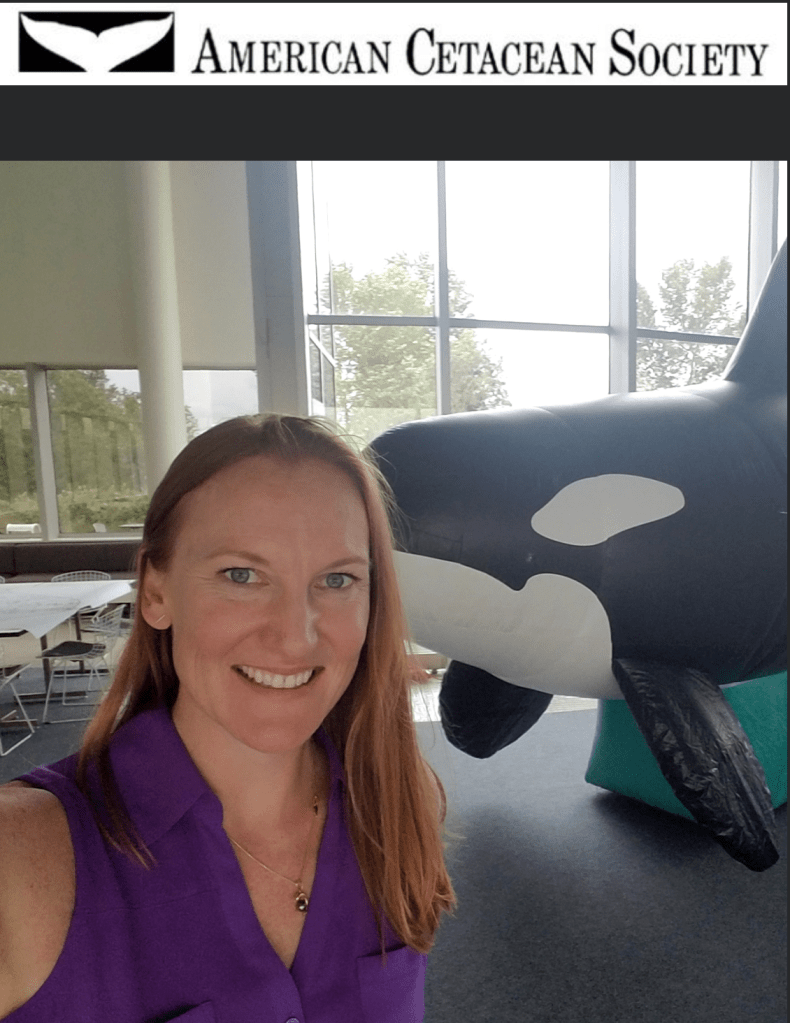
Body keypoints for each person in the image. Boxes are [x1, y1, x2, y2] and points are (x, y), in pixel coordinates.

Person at [0, 414, 456, 1022]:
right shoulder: (22, 857)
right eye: (242, 575)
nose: (296, 639)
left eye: (337, 579)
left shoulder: (401, 801)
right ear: (156, 592)